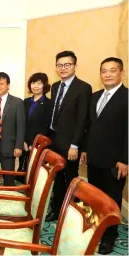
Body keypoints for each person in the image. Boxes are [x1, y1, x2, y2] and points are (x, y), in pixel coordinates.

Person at [81, 57, 128, 254]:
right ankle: (97, 229)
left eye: (112, 70)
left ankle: (110, 236)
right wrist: (84, 149)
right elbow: (89, 126)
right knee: (95, 198)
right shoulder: (95, 96)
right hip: (94, 158)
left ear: (121, 73)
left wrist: (125, 160)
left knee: (112, 199)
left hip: (115, 161)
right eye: (104, 71)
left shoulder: (126, 97)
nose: (107, 74)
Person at [45, 51, 92, 222]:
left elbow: (82, 120)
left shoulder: (83, 88)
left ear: (74, 66)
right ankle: (56, 208)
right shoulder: (56, 86)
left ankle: (70, 213)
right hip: (54, 139)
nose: (62, 68)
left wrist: (75, 145)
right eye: (59, 65)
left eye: (67, 65)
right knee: (56, 177)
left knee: (70, 178)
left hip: (70, 143)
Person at [18, 73, 53, 175]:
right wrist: (23, 141)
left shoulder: (49, 103)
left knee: (35, 171)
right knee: (23, 168)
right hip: (24, 143)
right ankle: (21, 188)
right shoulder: (26, 102)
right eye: (33, 83)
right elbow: (21, 122)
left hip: (39, 144)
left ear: (45, 85)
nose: (35, 86)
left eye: (39, 83)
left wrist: (35, 144)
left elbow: (46, 127)